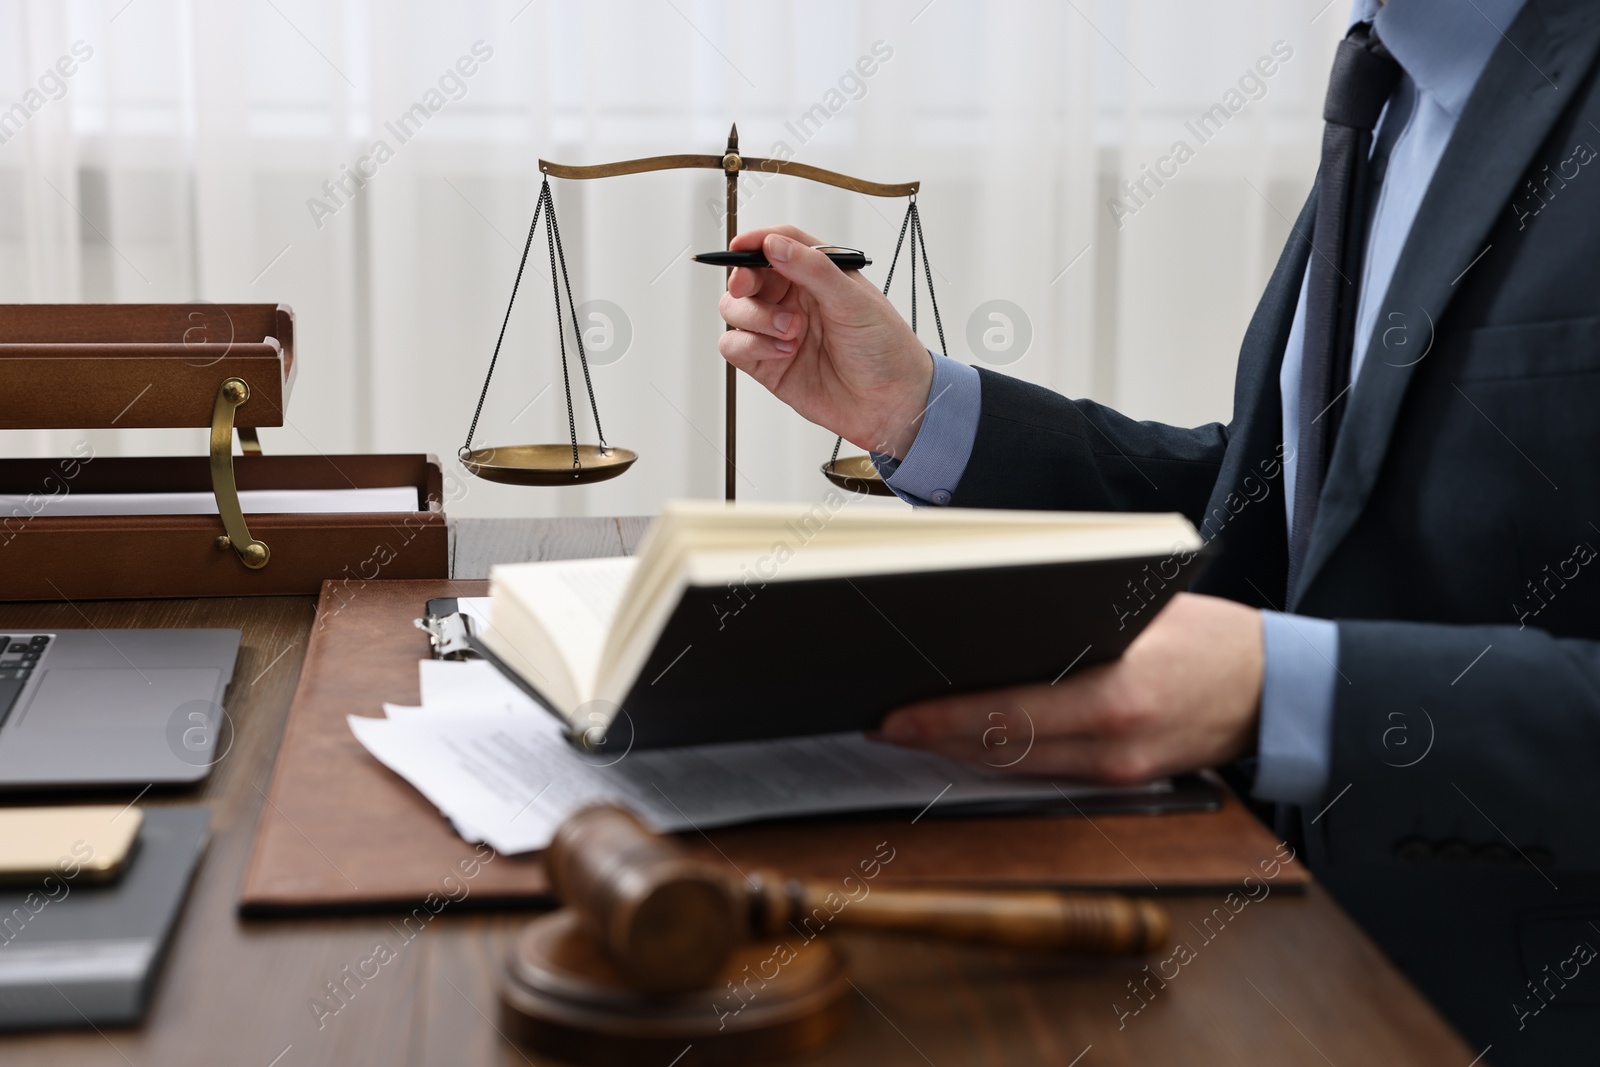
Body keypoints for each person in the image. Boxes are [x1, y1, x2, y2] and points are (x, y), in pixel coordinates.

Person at [715, 1, 1600, 1061]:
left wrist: (1291, 689)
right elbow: (1284, 509)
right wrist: (918, 410)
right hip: (1283, 957)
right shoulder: (1391, 89)